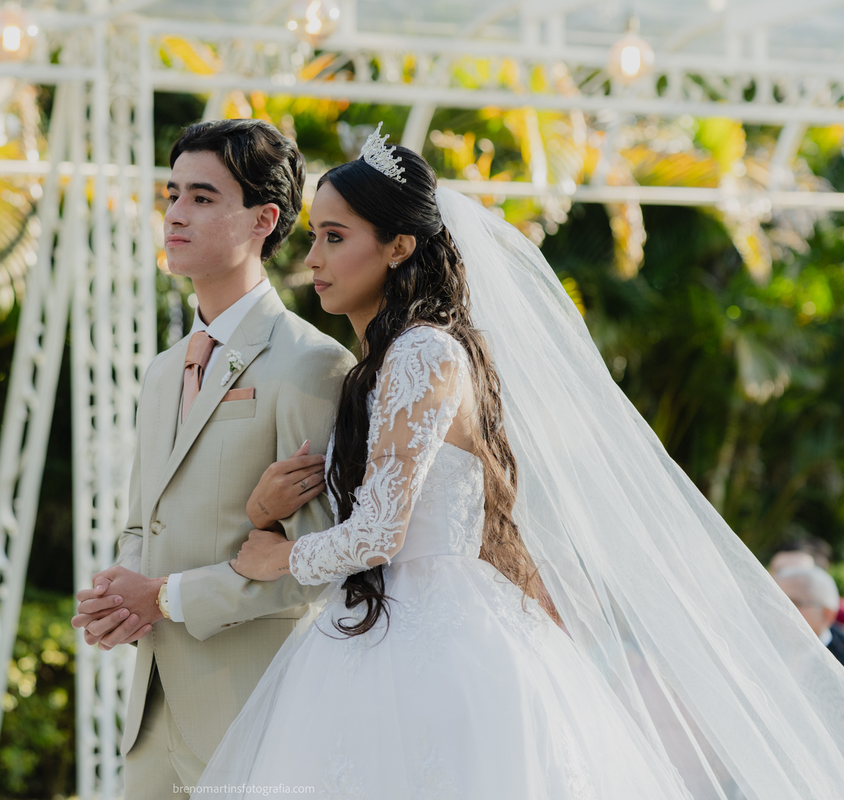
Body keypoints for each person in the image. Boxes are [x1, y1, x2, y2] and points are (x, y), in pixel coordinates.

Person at [179, 133, 844, 796]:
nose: (313, 258)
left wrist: (278, 558)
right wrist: (266, 514)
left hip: (432, 645)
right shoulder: (384, 364)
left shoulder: (423, 354)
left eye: (334, 236)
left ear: (398, 246)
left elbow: (381, 531)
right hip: (385, 629)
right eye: (316, 236)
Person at [69, 118, 354, 797]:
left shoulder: (312, 365)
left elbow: (319, 563)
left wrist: (164, 599)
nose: (175, 214)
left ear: (265, 218)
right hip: (152, 714)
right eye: (172, 194)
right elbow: (144, 521)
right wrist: (124, 595)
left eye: (201, 198)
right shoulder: (162, 372)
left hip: (254, 709)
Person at [775, 566, 844, 666]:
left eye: (793, 603)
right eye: (777, 601)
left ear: (826, 614)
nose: (780, 610)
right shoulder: (760, 647)